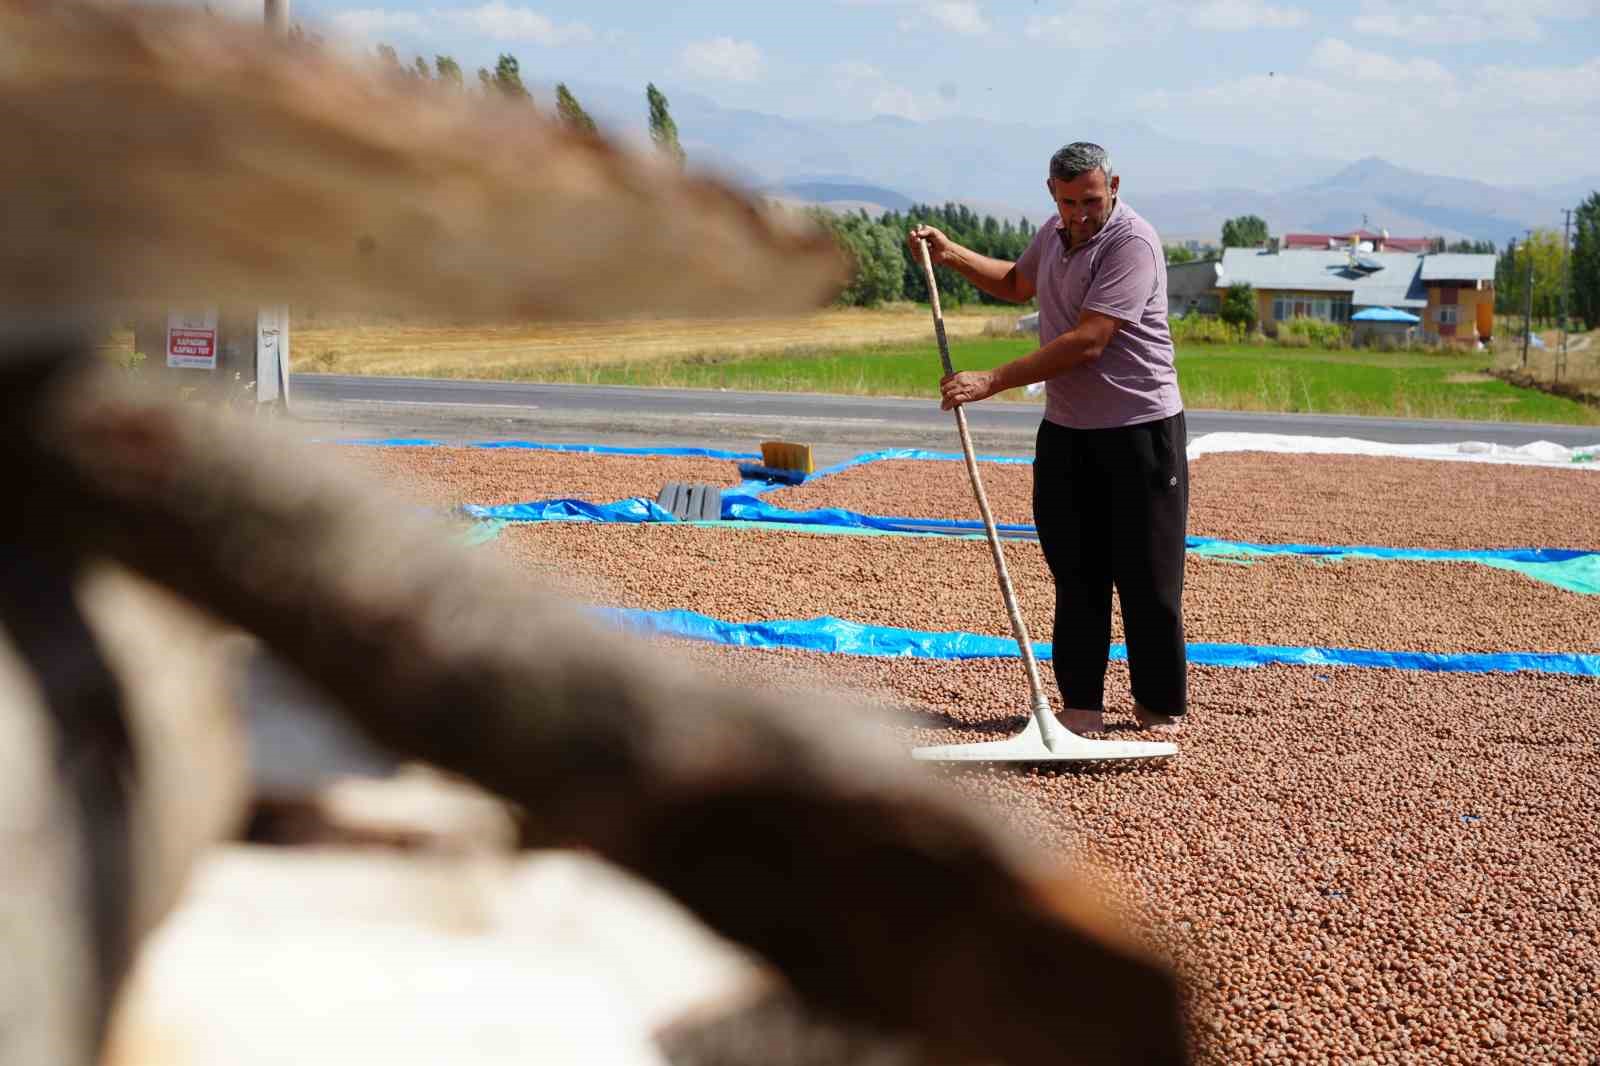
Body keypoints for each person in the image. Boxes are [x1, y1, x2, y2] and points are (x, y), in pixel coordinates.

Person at [908, 142, 1186, 735]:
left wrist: (991, 380)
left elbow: (1089, 341)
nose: (1081, 214)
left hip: (1139, 429)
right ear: (1051, 195)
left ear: (1113, 183)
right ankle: (1080, 709)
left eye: (1091, 199)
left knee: (1146, 576)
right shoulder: (1055, 232)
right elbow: (1015, 283)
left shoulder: (1132, 243)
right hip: (1067, 432)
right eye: (1068, 202)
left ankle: (1157, 711)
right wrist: (949, 252)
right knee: (1076, 573)